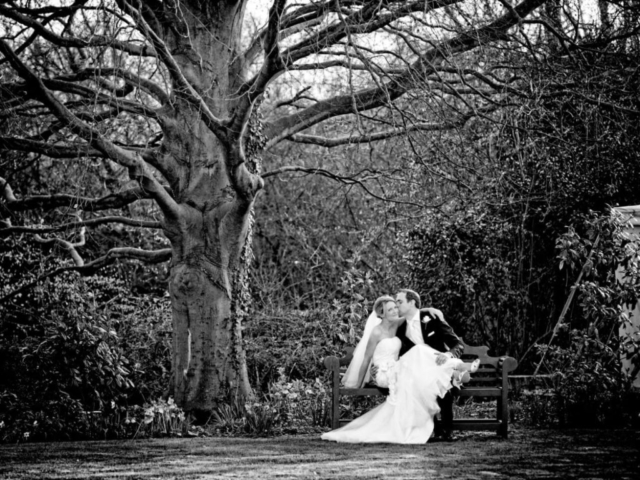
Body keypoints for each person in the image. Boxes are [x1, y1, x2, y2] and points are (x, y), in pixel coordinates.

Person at [321, 295, 477, 444]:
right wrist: (359, 383)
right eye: (390, 309)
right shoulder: (376, 332)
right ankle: (456, 368)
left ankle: (454, 372)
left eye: (396, 307)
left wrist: (432, 310)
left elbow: (414, 311)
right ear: (381, 314)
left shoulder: (398, 324)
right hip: (383, 373)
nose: (395, 311)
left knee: (420, 369)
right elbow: (366, 359)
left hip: (398, 369)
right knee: (418, 352)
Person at [395, 288, 464, 440]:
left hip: (439, 365)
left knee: (442, 381)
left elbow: (457, 345)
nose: (396, 305)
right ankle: (434, 429)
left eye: (399, 302)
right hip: (418, 371)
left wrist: (448, 354)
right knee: (414, 383)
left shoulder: (431, 318)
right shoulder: (400, 329)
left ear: (412, 302)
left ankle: (447, 430)